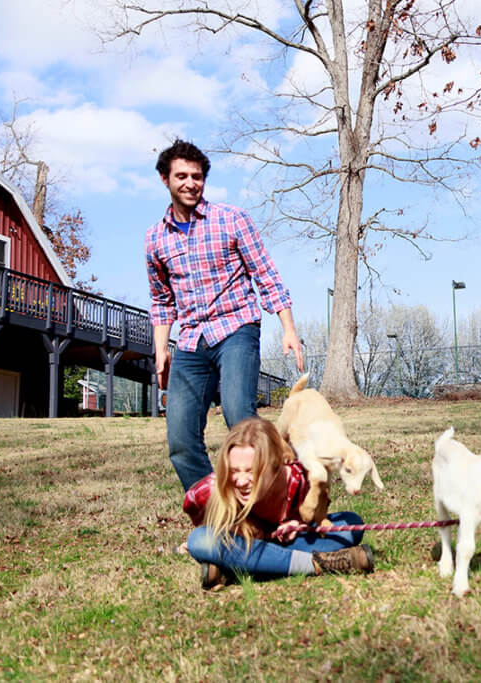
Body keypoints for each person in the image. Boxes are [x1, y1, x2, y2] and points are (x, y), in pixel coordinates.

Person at [145, 139, 304, 491]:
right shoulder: (155, 239)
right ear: (165, 179)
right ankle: (217, 517)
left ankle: (272, 497)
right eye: (182, 176)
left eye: (197, 176)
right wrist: (161, 350)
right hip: (189, 340)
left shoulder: (231, 220)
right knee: (181, 438)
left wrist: (288, 329)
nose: (190, 183)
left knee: (240, 418)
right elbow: (161, 300)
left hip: (236, 329)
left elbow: (266, 275)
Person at [184, 417, 374, 590]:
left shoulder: (304, 479)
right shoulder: (209, 489)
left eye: (251, 471)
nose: (240, 481)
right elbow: (196, 509)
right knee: (201, 540)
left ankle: (234, 567)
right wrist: (233, 529)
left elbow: (319, 516)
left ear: (276, 467)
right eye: (234, 471)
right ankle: (318, 563)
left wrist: (298, 524)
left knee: (351, 524)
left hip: (286, 544)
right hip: (246, 544)